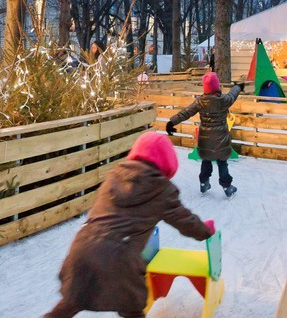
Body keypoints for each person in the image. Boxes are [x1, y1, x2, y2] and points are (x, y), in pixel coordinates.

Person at [45, 131, 216, 318]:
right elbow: (185, 221)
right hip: (120, 256)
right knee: (132, 309)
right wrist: (205, 231)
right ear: (167, 161)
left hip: (83, 247)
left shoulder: (114, 176)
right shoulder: (161, 189)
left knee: (72, 302)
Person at [164, 72, 244, 197]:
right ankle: (227, 187)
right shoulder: (223, 100)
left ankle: (203, 183)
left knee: (206, 161)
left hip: (205, 140)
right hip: (221, 139)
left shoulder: (200, 101)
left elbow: (186, 112)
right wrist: (238, 87)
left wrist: (172, 121)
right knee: (222, 162)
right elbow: (232, 95)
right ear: (217, 87)